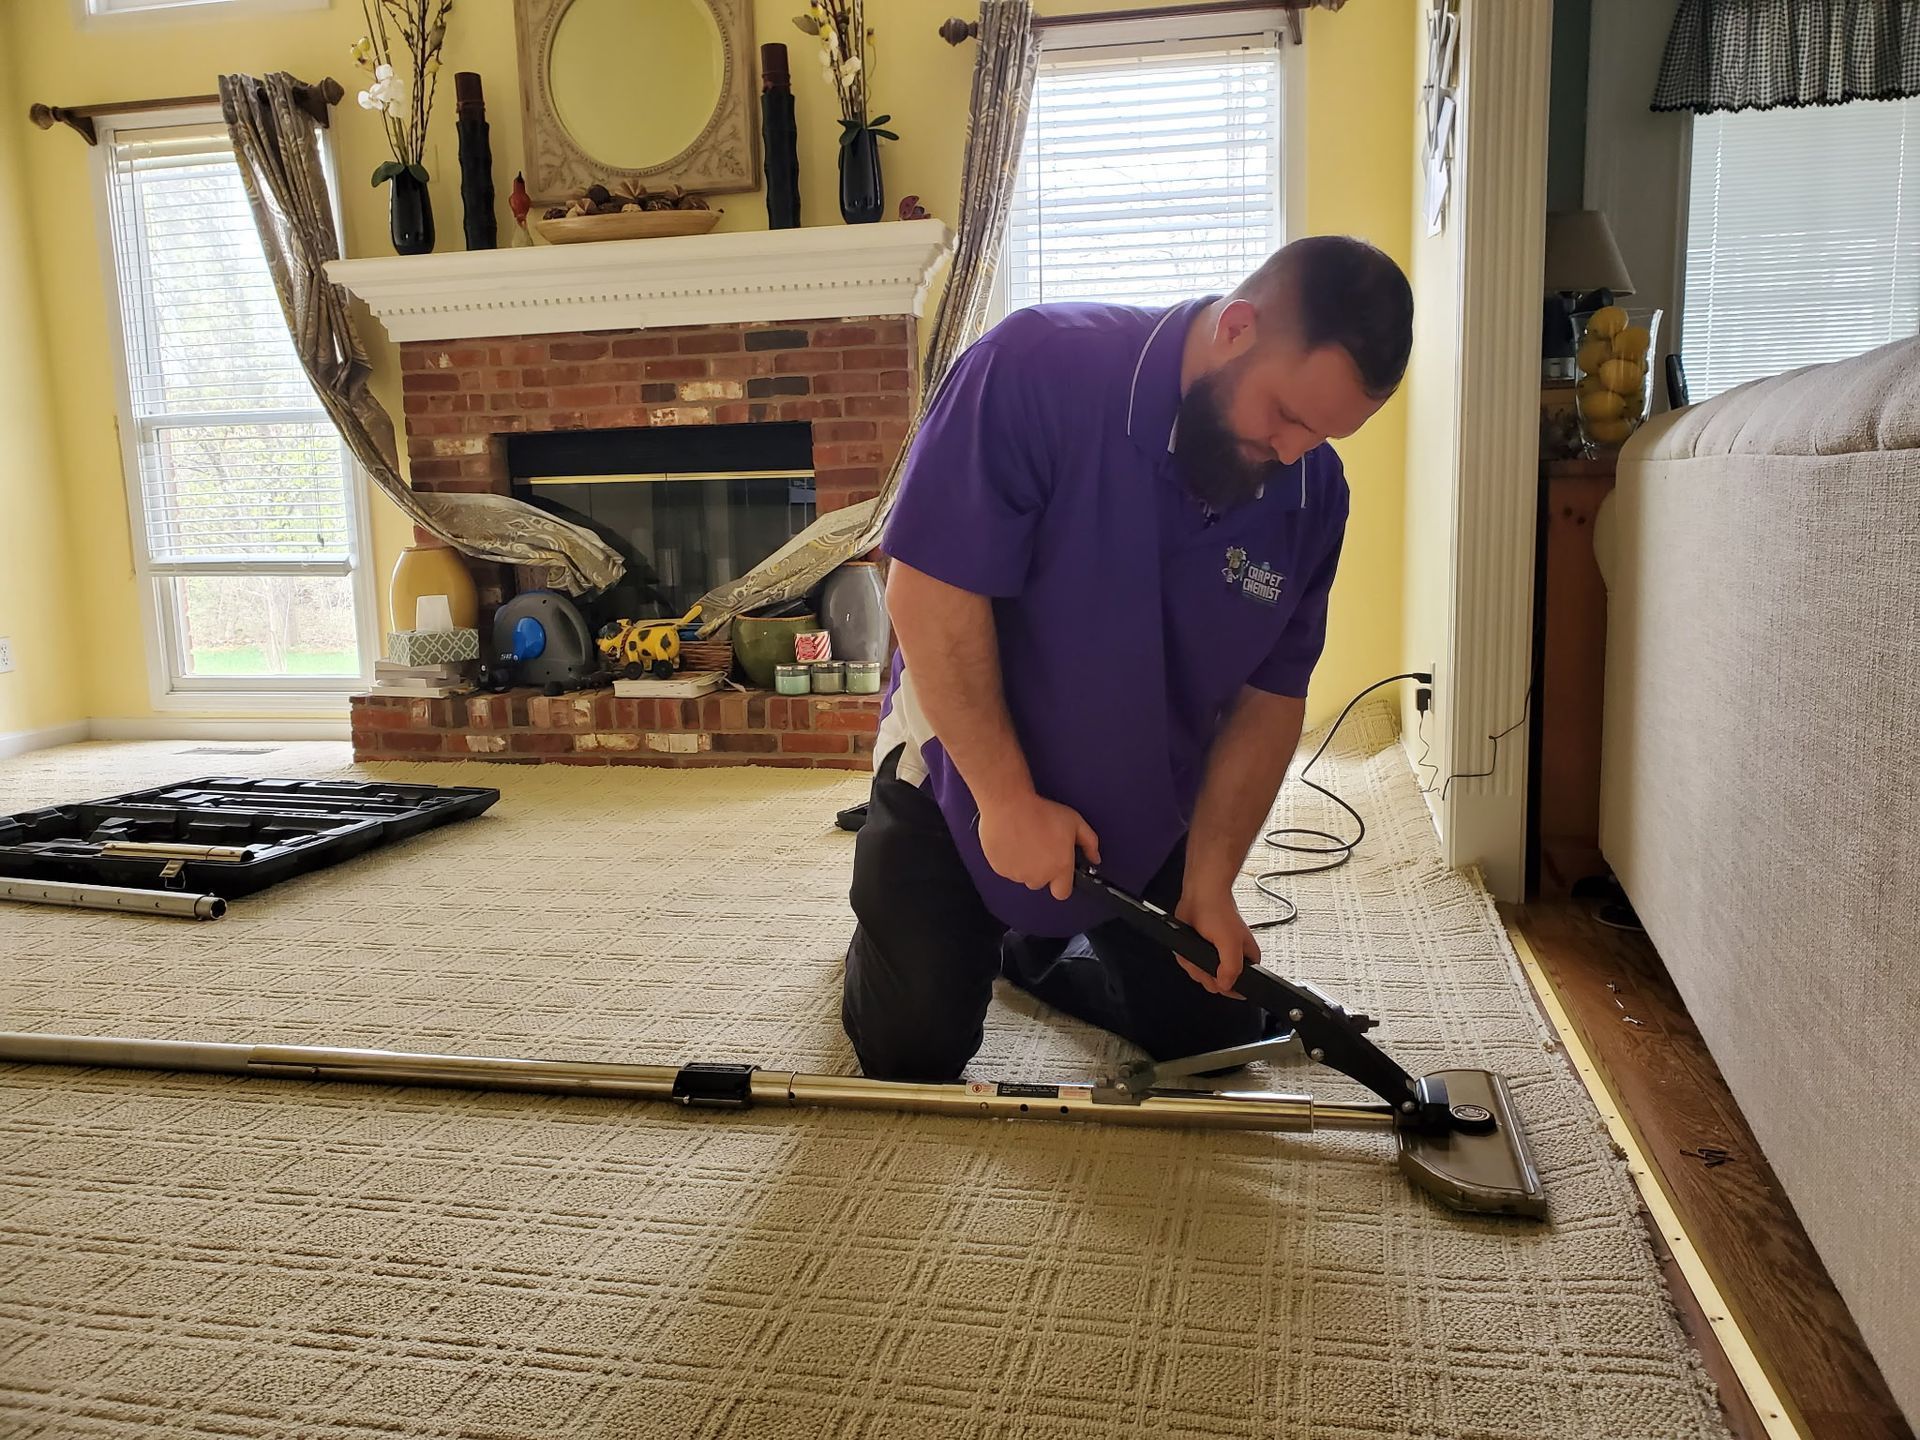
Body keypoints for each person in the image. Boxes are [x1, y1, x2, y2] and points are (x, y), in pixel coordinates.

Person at [842, 235, 1414, 1084]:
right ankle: (907, 915)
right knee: (910, 1049)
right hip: (961, 769)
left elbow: (1270, 699)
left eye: (1325, 434)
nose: (1296, 452)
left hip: (1143, 809)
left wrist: (1212, 883)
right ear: (1237, 328)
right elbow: (925, 593)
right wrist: (1004, 798)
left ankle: (1029, 952)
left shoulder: (1310, 492)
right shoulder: (1034, 365)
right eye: (1288, 415)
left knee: (1221, 1040)